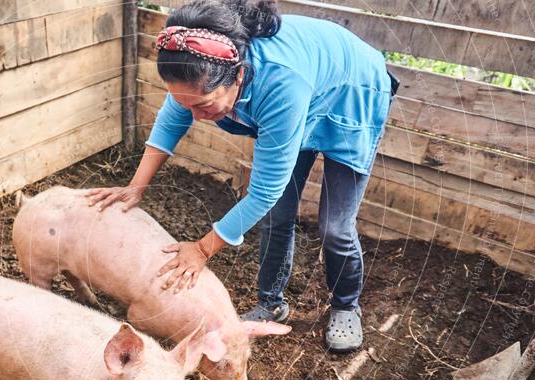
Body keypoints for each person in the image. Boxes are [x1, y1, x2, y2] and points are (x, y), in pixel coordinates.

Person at [87, 0, 398, 352]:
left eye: (204, 105)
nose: (196, 115)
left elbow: (263, 190)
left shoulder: (279, 85)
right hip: (306, 86)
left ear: (237, 76)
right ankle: (272, 303)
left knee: (335, 226)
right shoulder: (194, 69)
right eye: (187, 104)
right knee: (279, 213)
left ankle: (345, 305)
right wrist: (135, 187)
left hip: (350, 92)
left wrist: (202, 250)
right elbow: (171, 121)